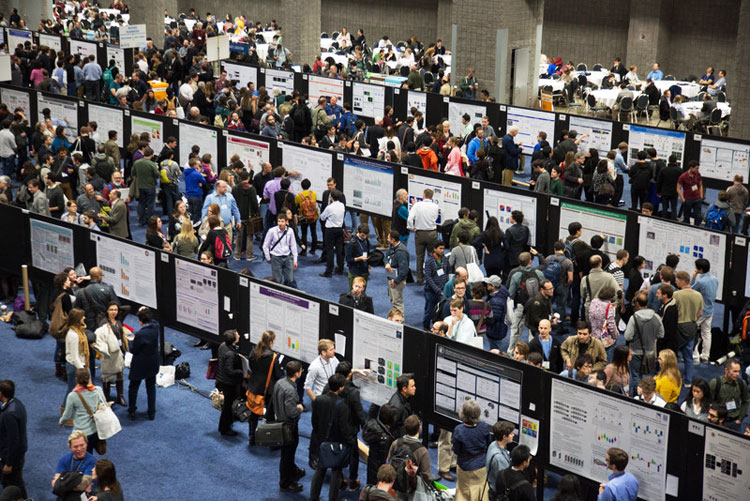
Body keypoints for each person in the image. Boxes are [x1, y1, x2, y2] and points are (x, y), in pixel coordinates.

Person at [309, 374, 354, 501]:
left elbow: (314, 422)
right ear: (340, 388)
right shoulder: (343, 406)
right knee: (336, 471)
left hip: (322, 440)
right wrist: (350, 442)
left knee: (320, 469)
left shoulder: (318, 400)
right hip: (337, 443)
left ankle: (313, 497)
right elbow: (344, 428)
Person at [272, 360, 305, 493]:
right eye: (301, 370)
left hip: (279, 421)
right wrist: (299, 409)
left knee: (288, 454)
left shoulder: (280, 382)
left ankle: (293, 471)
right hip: (289, 426)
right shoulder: (290, 390)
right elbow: (291, 412)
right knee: (287, 454)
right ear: (297, 373)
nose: (302, 372)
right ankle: (285, 483)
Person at [247, 330, 283, 446]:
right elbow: (277, 375)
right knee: (271, 415)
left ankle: (252, 437)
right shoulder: (273, 357)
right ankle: (272, 441)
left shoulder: (254, 351)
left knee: (254, 413)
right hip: (269, 389)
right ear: (271, 342)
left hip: (255, 386)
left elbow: (251, 367)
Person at [59, 368, 107, 454]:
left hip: (81, 434)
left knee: (84, 458)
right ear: (89, 378)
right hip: (96, 430)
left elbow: (67, 415)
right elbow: (105, 406)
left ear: (76, 379)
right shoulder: (98, 390)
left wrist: (62, 422)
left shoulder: (72, 395)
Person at [387, 415, 431, 501]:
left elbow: (388, 462)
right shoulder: (422, 451)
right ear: (419, 428)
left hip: (397, 484)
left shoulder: (396, 443)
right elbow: (426, 476)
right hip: (414, 489)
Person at [94, 302, 130, 406]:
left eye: (115, 310)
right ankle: (107, 398)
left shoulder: (118, 321)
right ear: (107, 311)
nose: (114, 312)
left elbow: (127, 307)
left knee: (119, 374)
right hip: (108, 353)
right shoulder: (103, 323)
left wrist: (117, 306)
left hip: (119, 351)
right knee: (107, 376)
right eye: (111, 310)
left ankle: (120, 396)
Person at [128, 307, 160, 421]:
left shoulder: (141, 334)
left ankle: (132, 411)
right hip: (152, 363)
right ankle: (151, 412)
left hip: (140, 365)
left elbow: (134, 350)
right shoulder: (156, 327)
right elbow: (155, 321)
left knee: (133, 388)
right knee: (151, 388)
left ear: (141, 320)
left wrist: (130, 341)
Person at [673, 271, 704, 388]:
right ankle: (688, 381)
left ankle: (674, 378)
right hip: (691, 327)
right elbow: (700, 314)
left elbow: (673, 312)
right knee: (688, 356)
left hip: (679, 327)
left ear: (681, 281)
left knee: (674, 355)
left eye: (676, 280)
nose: (675, 282)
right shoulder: (698, 295)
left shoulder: (676, 295)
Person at [0, 380, 27, 499]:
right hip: (19, 452)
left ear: (1, 393)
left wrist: (8, 463)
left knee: (14, 484)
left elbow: (13, 440)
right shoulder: (17, 403)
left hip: (11, 457)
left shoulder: (9, 415)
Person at [214, 329, 244, 436]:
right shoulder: (231, 353)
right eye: (237, 335)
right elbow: (230, 371)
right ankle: (224, 428)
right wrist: (241, 372)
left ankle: (228, 422)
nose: (239, 335)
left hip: (221, 379)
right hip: (228, 383)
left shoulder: (222, 346)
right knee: (227, 406)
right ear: (234, 340)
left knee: (228, 405)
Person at [408, 189, 440, 284]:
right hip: (432, 233)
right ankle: (432, 279)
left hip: (420, 233)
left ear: (424, 195)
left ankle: (420, 279)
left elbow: (410, 219)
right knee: (432, 256)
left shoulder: (417, 206)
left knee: (419, 257)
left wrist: (411, 227)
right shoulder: (435, 206)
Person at [708, 358, 748, 432]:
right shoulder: (715, 383)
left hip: (734, 421)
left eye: (739, 371)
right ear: (726, 370)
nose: (738, 374)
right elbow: (708, 401)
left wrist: (740, 419)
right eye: (735, 371)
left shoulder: (742, 383)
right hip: (718, 421)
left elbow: (745, 401)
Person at [52, 431, 97, 495]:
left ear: (86, 444)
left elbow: (83, 486)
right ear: (70, 448)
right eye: (75, 447)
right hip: (66, 495)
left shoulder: (92, 461)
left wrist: (62, 485)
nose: (79, 449)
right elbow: (55, 482)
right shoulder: (63, 460)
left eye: (82, 445)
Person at [691, 259, 718, 365]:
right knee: (706, 333)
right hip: (710, 309)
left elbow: (690, 290)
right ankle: (705, 356)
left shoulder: (700, 281)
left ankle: (695, 357)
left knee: (693, 333)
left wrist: (693, 277)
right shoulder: (715, 279)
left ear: (700, 269)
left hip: (700, 311)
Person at [362, 404, 398, 486]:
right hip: (379, 468)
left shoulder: (373, 424)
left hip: (372, 461)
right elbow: (384, 458)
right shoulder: (385, 438)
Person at [63, 308, 91, 407]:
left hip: (80, 364)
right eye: (82, 316)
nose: (84, 318)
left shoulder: (78, 331)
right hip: (75, 367)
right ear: (78, 319)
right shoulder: (74, 335)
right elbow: (75, 357)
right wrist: (83, 371)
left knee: (74, 390)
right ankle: (65, 409)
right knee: (72, 391)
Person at [262, 213, 298, 286]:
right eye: (279, 221)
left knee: (290, 280)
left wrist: (295, 260)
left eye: (282, 221)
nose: (280, 223)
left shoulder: (290, 231)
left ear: (286, 222)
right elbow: (265, 245)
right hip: (276, 258)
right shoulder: (271, 231)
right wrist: (268, 257)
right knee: (277, 281)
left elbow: (293, 246)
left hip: (287, 258)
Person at [319, 189, 346, 277]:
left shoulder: (329, 207)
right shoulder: (342, 205)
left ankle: (329, 271)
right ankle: (340, 268)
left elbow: (322, 217)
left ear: (331, 198)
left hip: (330, 230)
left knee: (330, 250)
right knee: (339, 249)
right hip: (339, 229)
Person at [485, 421, 514, 499]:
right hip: (499, 493)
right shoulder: (499, 458)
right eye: (511, 434)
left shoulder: (493, 444)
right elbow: (505, 481)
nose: (513, 435)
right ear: (505, 437)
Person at [385, 230, 409, 313]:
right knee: (393, 300)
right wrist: (387, 263)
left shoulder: (401, 252)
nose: (387, 239)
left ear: (393, 239)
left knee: (397, 303)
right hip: (392, 278)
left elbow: (404, 271)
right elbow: (386, 255)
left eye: (388, 238)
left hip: (397, 281)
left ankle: (400, 323)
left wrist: (396, 281)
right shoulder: (392, 247)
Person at [677, 160, 703, 226]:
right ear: (691, 168)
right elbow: (678, 189)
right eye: (696, 168)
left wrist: (701, 196)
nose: (698, 170)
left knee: (698, 217)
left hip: (697, 199)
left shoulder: (698, 174)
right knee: (686, 218)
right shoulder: (683, 177)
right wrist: (683, 199)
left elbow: (701, 185)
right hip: (688, 200)